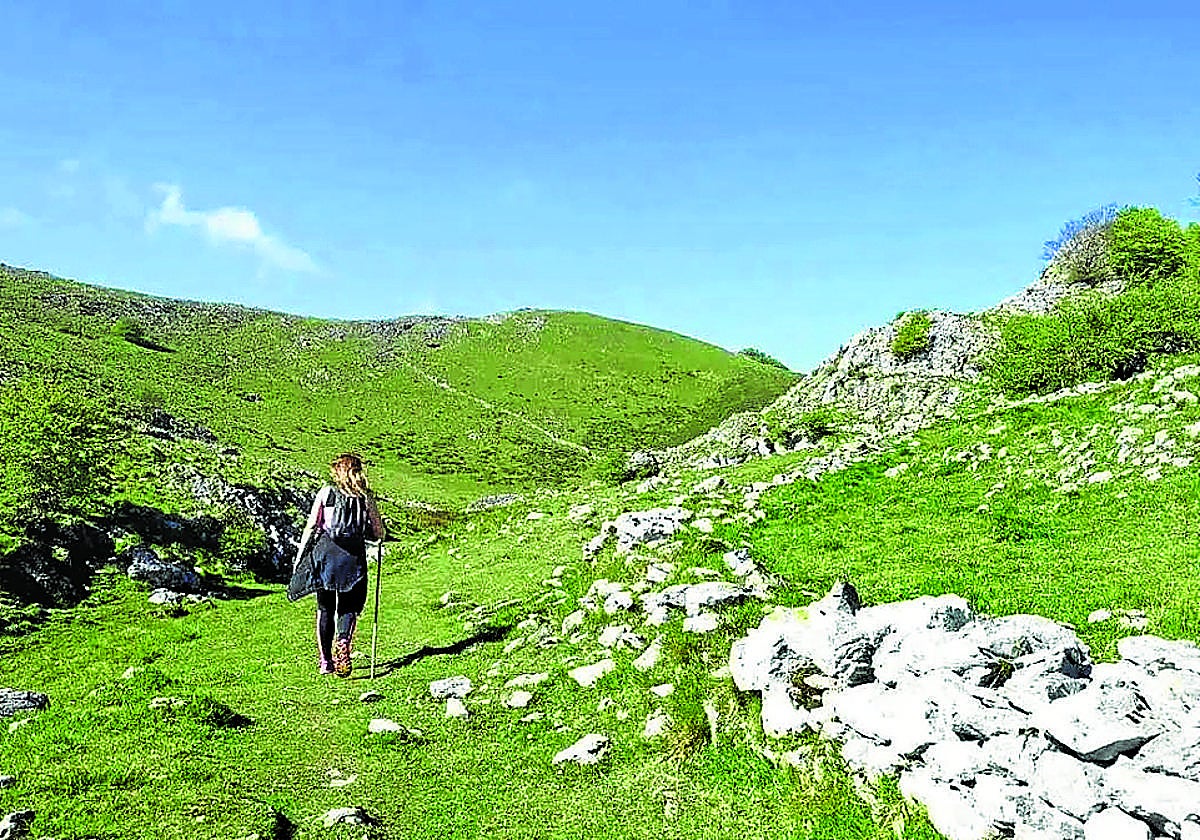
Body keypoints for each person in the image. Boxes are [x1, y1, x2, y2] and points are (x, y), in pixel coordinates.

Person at [294, 453, 385, 677]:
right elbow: (378, 531)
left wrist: (300, 556)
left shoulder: (327, 492)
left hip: (325, 553)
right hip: (352, 556)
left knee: (324, 607)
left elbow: (312, 526)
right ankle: (343, 641)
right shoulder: (365, 497)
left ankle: (326, 662)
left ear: (338, 471)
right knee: (349, 606)